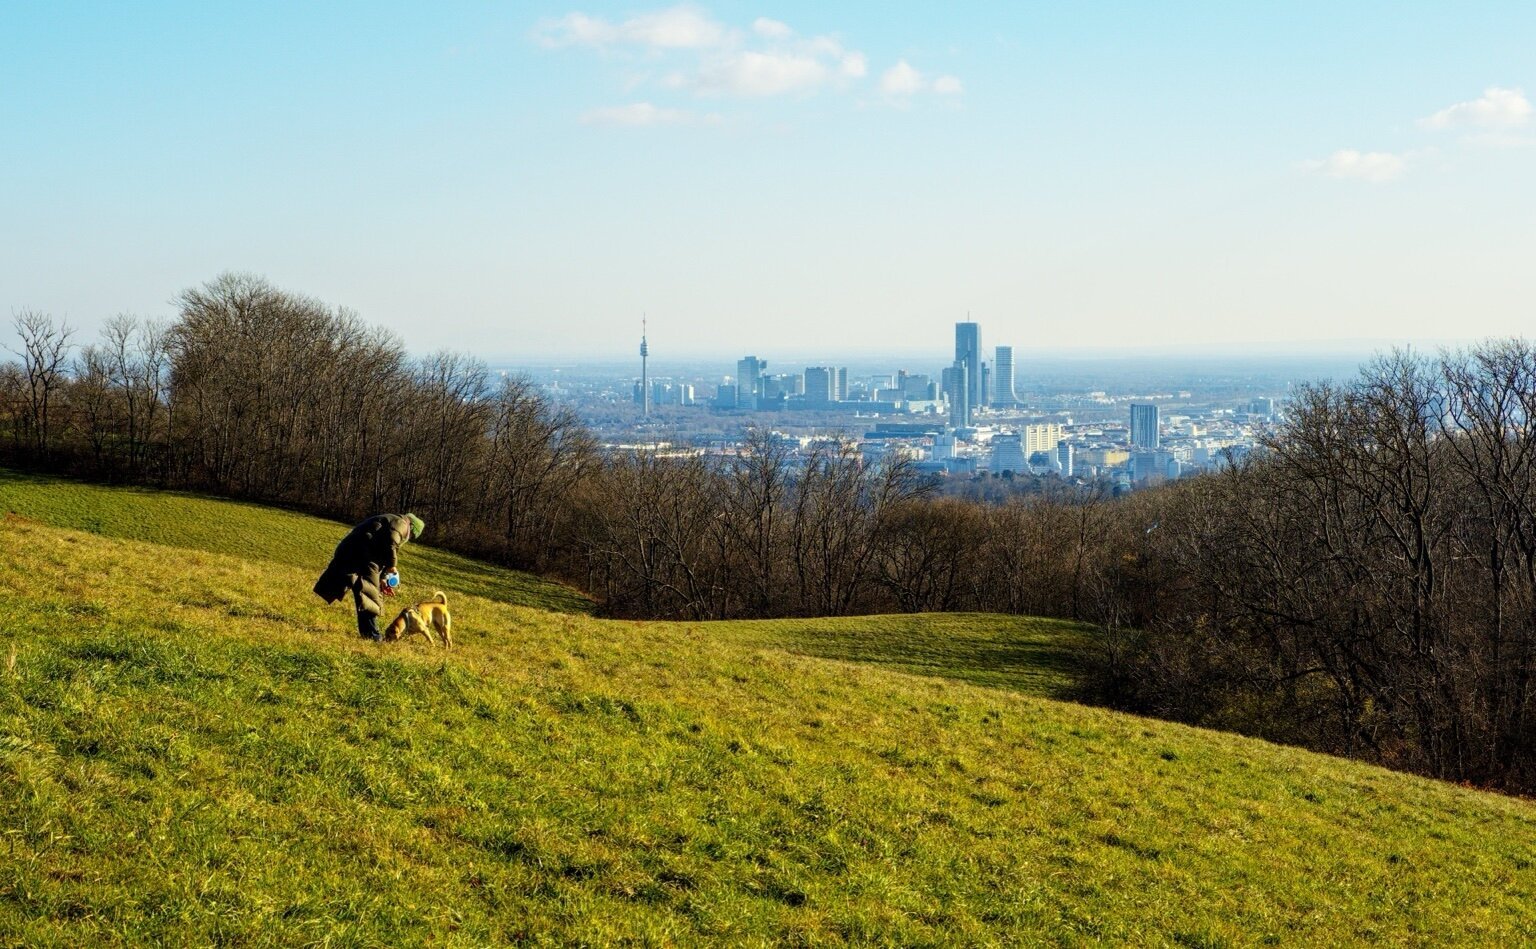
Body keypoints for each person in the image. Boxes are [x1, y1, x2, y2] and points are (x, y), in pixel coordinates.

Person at [313, 513, 425, 641]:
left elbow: (382, 549)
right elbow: (391, 542)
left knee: (362, 590)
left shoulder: (391, 520)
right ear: (411, 527)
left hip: (354, 551)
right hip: (361, 555)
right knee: (369, 595)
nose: (408, 538)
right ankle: (373, 636)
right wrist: (392, 566)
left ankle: (369, 633)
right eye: (411, 535)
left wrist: (383, 577)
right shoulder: (401, 524)